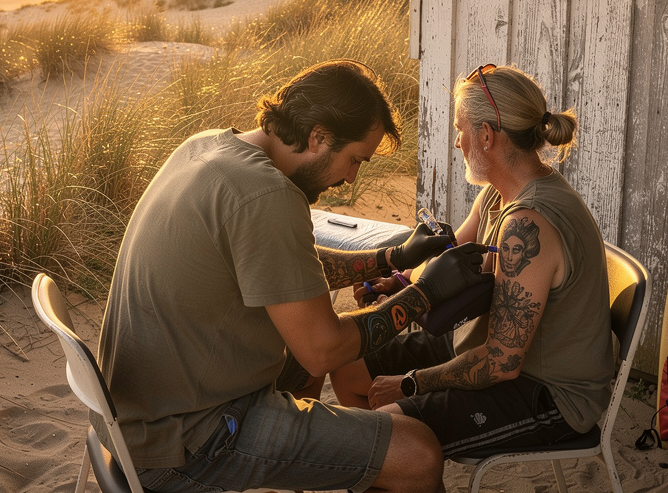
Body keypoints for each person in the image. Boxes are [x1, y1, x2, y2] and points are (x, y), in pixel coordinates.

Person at [91, 60, 487, 493]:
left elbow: (288, 266)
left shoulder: (208, 147)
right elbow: (323, 350)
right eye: (354, 160)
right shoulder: (268, 194)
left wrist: (392, 257)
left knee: (302, 349)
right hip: (186, 441)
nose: (350, 177)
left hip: (137, 420)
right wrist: (424, 293)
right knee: (417, 452)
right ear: (318, 136)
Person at [330, 64, 614, 458]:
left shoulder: (529, 224)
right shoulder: (500, 193)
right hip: (482, 345)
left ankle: (398, 464)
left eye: (459, 129)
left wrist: (410, 383)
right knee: (347, 365)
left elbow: (501, 362)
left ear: (486, 136)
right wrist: (399, 281)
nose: (456, 142)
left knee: (390, 433)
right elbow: (451, 259)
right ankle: (391, 469)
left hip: (547, 391)